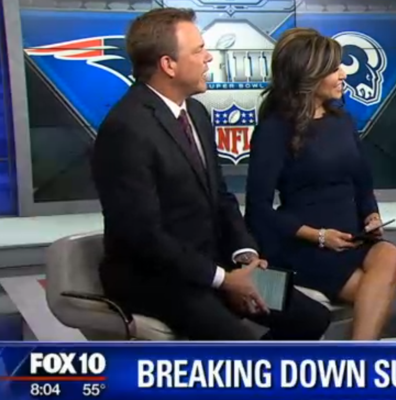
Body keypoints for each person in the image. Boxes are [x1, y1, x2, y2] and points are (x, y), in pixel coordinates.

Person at [91, 8, 331, 341]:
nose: (208, 58)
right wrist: (223, 279)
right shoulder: (126, 128)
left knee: (312, 317)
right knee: (239, 345)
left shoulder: (196, 112)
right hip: (156, 278)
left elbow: (221, 197)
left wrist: (245, 256)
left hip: (215, 266)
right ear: (168, 64)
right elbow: (143, 236)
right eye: (199, 50)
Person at [244, 28, 396, 341]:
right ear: (309, 76)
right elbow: (258, 210)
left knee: (389, 254)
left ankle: (358, 358)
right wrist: (318, 236)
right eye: (334, 69)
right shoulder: (275, 129)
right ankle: (361, 360)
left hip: (350, 239)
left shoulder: (342, 121)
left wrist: (371, 215)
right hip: (302, 247)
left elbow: (362, 181)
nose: (344, 74)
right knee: (374, 294)